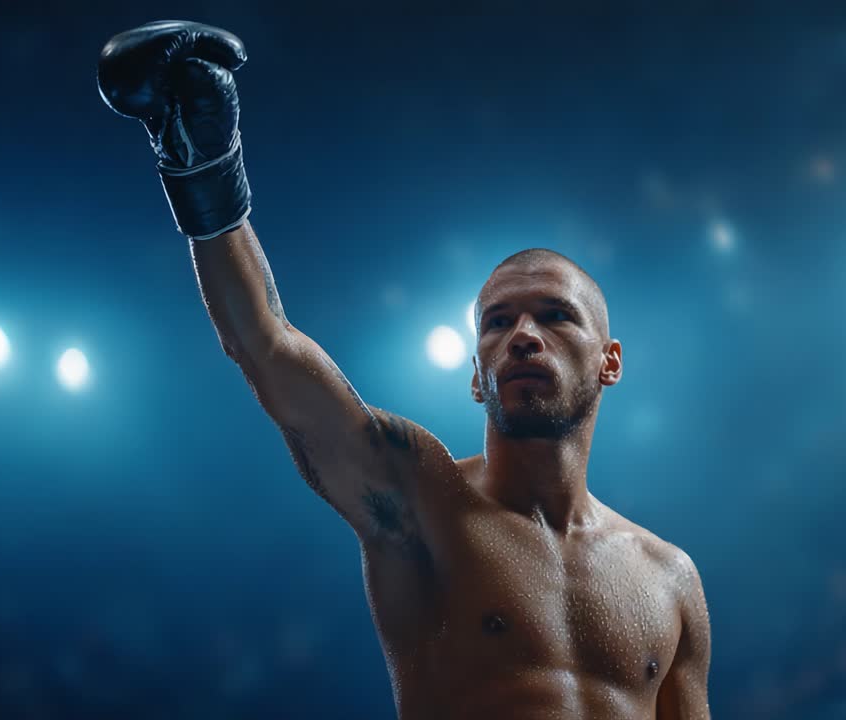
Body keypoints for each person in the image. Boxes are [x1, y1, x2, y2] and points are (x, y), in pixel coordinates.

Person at [97, 20, 711, 719]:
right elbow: (265, 344)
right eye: (497, 322)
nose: (523, 337)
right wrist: (204, 168)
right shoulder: (423, 499)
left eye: (555, 316)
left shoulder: (670, 578)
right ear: (476, 376)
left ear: (610, 362)